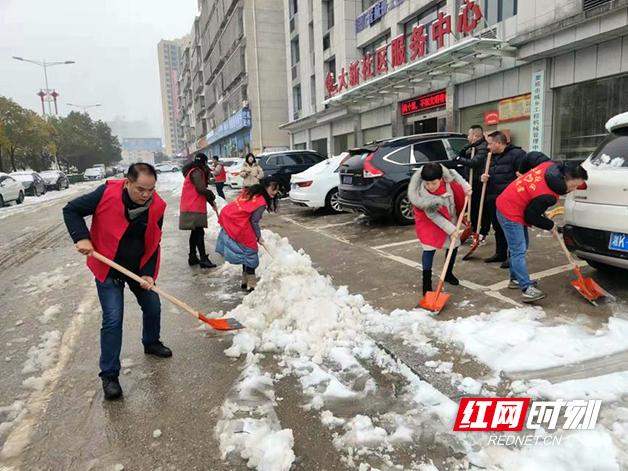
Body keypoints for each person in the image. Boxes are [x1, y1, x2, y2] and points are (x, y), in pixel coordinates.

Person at [62, 163, 172, 401]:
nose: (146, 195)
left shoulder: (158, 206)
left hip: (137, 268)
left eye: (151, 189)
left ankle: (151, 342)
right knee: (113, 319)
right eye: (141, 189)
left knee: (153, 305)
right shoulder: (106, 193)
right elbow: (71, 210)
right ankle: (109, 375)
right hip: (108, 265)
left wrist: (148, 273)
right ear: (127, 182)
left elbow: (154, 242)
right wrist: (82, 237)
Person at [496, 159, 588, 303]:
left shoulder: (549, 166)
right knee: (518, 250)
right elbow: (531, 216)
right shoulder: (547, 196)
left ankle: (515, 279)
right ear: (565, 178)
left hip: (510, 200)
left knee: (519, 247)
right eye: (574, 185)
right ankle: (526, 289)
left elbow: (532, 157)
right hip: (510, 211)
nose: (574, 189)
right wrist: (550, 225)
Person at [408, 163, 472, 295]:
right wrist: (451, 229)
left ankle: (448, 273)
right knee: (429, 248)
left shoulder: (449, 180)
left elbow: (457, 177)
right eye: (427, 183)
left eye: (433, 183)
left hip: (449, 215)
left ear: (441, 178)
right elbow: (433, 216)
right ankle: (426, 284)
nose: (430, 186)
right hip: (428, 221)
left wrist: (466, 188)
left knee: (453, 246)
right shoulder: (422, 195)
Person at [215, 178, 280, 292]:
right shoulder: (261, 202)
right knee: (250, 251)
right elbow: (254, 221)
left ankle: (244, 281)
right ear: (265, 187)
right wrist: (258, 236)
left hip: (230, 216)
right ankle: (252, 284)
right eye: (273, 189)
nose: (275, 192)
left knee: (246, 252)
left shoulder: (252, 192)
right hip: (238, 222)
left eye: (277, 190)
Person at [481, 131, 526, 268]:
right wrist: (482, 178)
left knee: (510, 229)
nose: (488, 147)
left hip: (510, 199)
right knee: (497, 226)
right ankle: (500, 253)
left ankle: (512, 257)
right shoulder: (490, 156)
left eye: (490, 144)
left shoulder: (517, 155)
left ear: (499, 143)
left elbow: (524, 175)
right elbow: (483, 173)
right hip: (492, 196)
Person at [179, 153, 218, 268]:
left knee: (195, 232)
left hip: (190, 206)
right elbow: (201, 189)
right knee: (199, 233)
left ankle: (192, 257)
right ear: (204, 163)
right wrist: (211, 194)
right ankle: (203, 259)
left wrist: (211, 202)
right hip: (194, 207)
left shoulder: (192, 171)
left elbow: (200, 190)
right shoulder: (197, 172)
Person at [455, 124, 490, 241]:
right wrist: (464, 150)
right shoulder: (472, 146)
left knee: (481, 207)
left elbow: (474, 162)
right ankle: (474, 230)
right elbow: (463, 156)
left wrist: (460, 160)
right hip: (472, 180)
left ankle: (482, 233)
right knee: (473, 207)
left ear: (475, 135)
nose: (468, 137)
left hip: (480, 181)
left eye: (469, 134)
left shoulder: (483, 147)